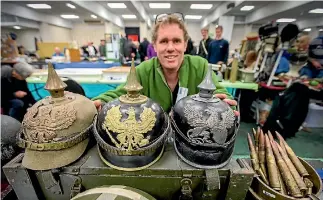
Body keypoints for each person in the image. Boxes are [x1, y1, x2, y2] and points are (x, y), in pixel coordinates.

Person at [92, 14, 238, 115]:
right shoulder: (143, 70)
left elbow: (222, 94)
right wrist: (100, 103)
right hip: (154, 142)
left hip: (190, 143)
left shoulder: (200, 66)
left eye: (176, 41)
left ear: (185, 44)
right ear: (154, 46)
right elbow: (120, 94)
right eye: (163, 41)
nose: (170, 48)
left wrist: (224, 105)